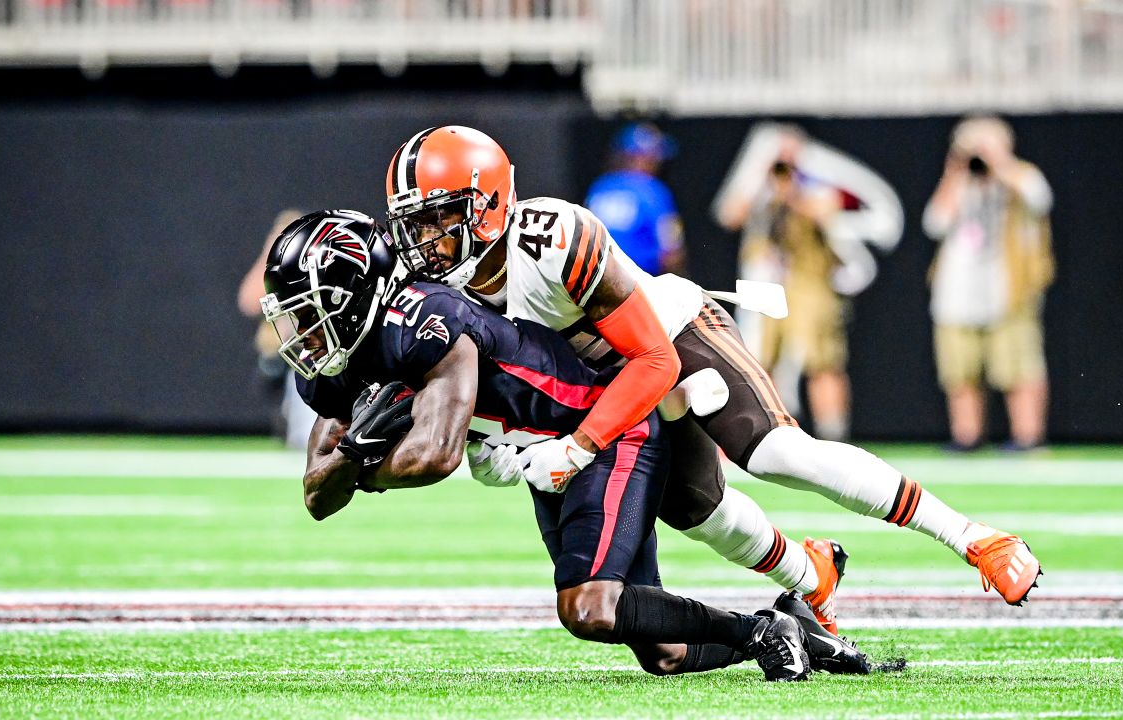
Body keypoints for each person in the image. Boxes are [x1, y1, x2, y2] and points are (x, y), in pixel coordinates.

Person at [383, 125, 1043, 620]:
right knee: (699, 510)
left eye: (441, 217)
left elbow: (654, 360)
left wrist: (578, 448)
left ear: (491, 204)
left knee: (777, 453)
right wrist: (496, 447)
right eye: (415, 222)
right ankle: (811, 574)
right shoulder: (440, 300)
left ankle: (974, 537)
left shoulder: (556, 240)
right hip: (602, 385)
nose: (426, 239)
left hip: (668, 335)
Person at [259, 209, 822, 681]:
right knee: (662, 651)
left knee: (588, 606)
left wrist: (360, 460)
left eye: (311, 311)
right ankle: (782, 632)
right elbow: (316, 496)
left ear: (360, 295)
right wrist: (356, 454)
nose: (304, 332)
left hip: (604, 432)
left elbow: (436, 454)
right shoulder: (337, 362)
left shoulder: (426, 318)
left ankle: (766, 629)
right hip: (543, 459)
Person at [922, 116, 1054, 453]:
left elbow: (1041, 199)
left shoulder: (1021, 176)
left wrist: (1000, 164)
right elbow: (934, 223)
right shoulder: (958, 182)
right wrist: (955, 173)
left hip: (1007, 291)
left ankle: (1028, 436)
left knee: (1019, 367)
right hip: (958, 292)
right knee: (960, 369)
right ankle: (967, 435)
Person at [737, 159, 852, 441]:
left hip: (811, 287)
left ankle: (833, 435)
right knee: (765, 362)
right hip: (774, 287)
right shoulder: (766, 203)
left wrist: (794, 193)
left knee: (822, 362)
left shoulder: (815, 192)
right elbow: (732, 215)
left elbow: (826, 214)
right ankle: (775, 433)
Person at [237, 208, 317, 449]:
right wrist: (268, 259)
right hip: (284, 348)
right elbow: (249, 301)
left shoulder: (314, 263)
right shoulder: (274, 266)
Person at [584, 123, 686, 276]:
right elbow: (671, 252)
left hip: (597, 280)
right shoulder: (653, 190)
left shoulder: (599, 187)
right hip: (639, 283)